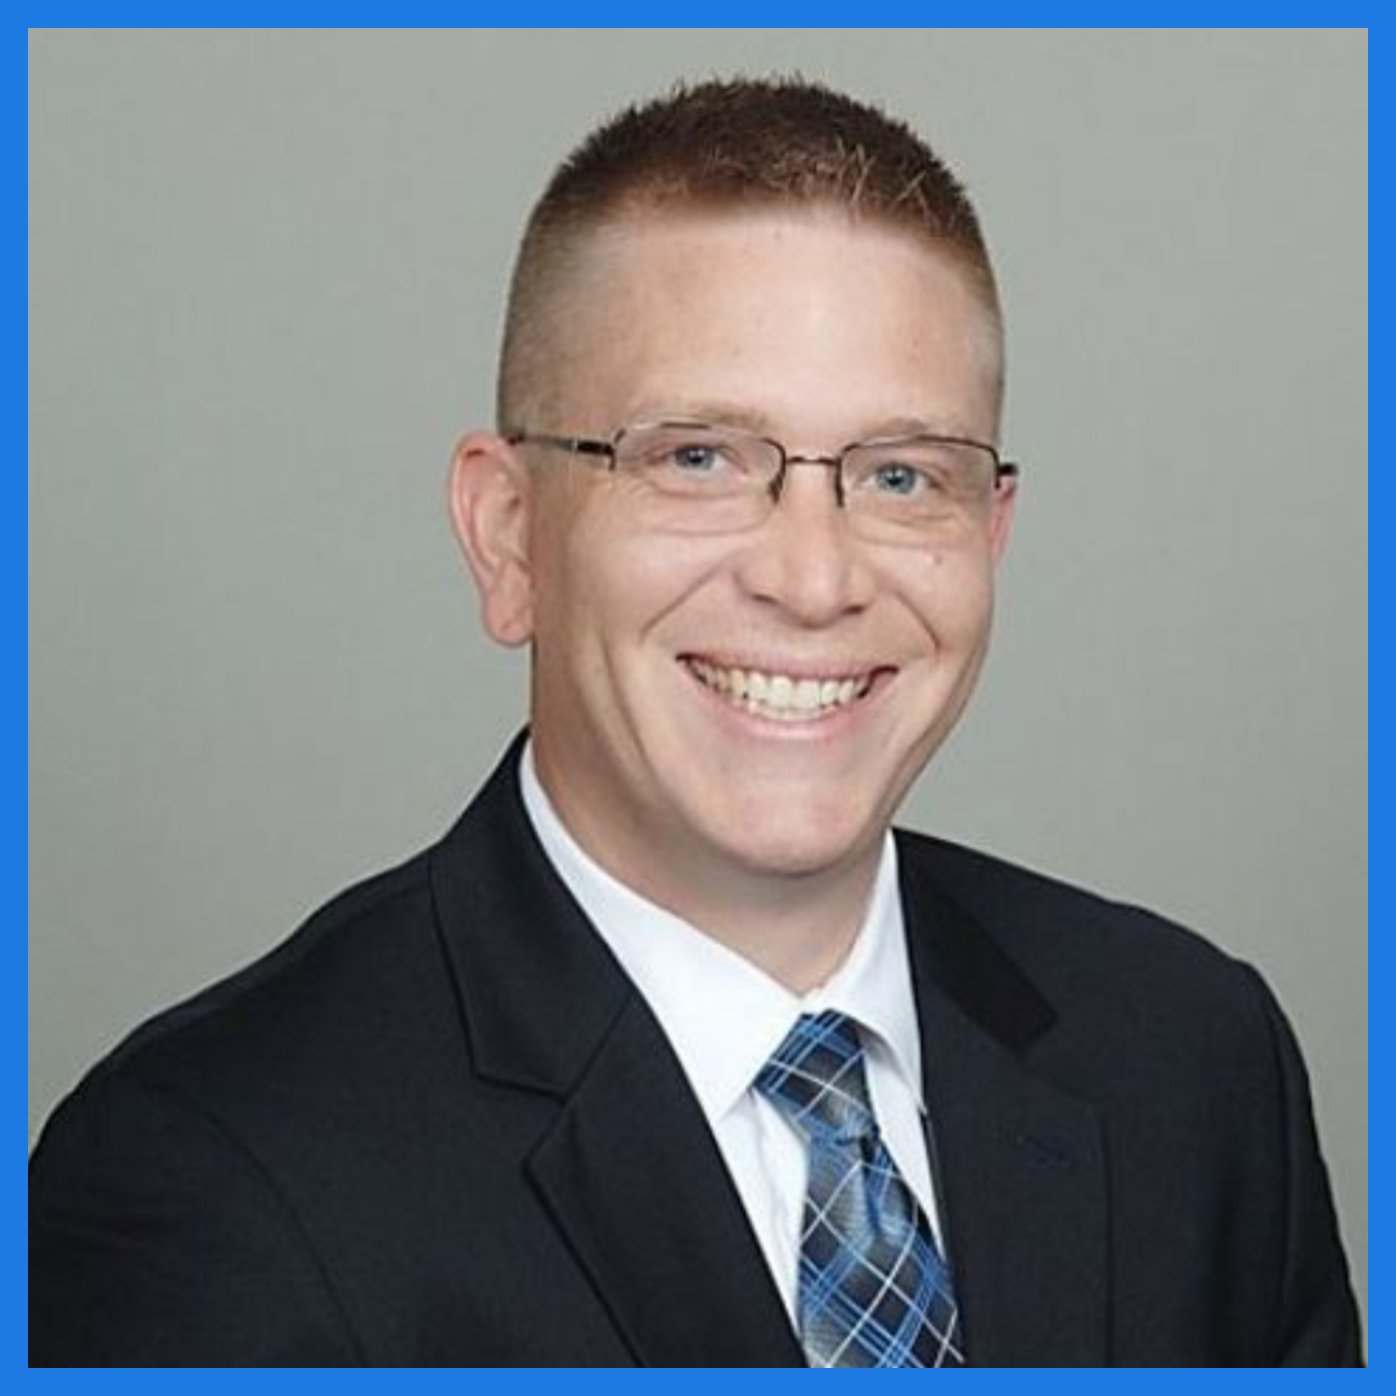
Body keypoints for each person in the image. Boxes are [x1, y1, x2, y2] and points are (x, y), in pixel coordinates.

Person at [29, 76, 1361, 1368]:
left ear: (992, 531)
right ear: (508, 536)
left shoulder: (1192, 1059)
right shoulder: (211, 1182)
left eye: (903, 476)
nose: (815, 577)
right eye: (699, 458)